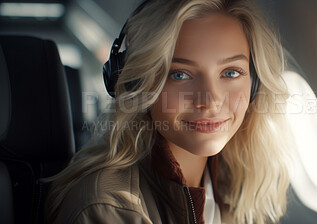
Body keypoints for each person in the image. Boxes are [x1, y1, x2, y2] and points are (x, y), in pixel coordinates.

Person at [46, 0, 292, 223]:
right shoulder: (107, 208)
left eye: (230, 73)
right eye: (180, 74)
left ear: (255, 84)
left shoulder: (236, 187)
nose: (210, 101)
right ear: (139, 85)